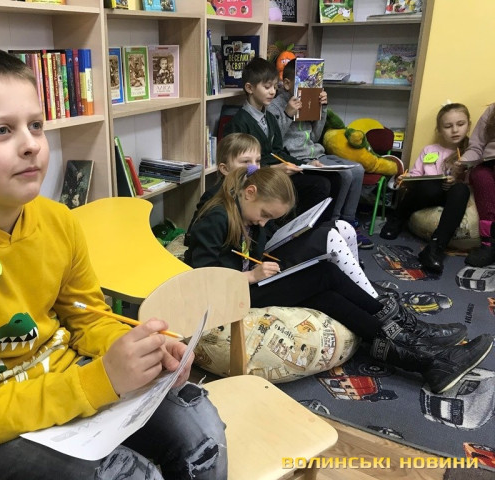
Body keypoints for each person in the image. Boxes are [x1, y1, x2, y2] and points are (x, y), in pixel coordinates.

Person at [0, 41, 227, 480]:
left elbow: (87, 318)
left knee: (201, 434)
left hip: (64, 381)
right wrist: (102, 381)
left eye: (36, 125)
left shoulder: (57, 220)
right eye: (1, 130)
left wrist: (143, 351)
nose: (31, 146)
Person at [187, 165, 493, 395]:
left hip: (250, 283)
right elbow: (202, 280)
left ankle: (425, 361)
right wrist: (250, 275)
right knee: (325, 273)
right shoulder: (216, 219)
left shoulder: (247, 213)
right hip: (230, 295)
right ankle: (416, 340)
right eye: (264, 214)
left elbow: (254, 249)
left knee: (327, 297)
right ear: (249, 192)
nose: (264, 222)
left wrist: (269, 252)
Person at [186, 132, 376, 296]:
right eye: (245, 162)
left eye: (257, 161)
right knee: (328, 240)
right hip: (263, 255)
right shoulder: (217, 199)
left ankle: (360, 282)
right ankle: (367, 293)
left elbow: (266, 226)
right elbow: (197, 235)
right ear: (224, 168)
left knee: (342, 227)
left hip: (268, 245)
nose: (253, 168)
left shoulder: (252, 192)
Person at [268, 59, 370, 249]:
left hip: (316, 152)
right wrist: (288, 114)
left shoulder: (308, 100)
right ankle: (334, 225)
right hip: (299, 157)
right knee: (345, 175)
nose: (310, 88)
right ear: (288, 83)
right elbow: (275, 142)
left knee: (358, 169)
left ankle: (349, 222)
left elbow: (315, 136)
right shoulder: (276, 106)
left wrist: (322, 109)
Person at [223, 57, 334, 219]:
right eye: (267, 87)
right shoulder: (239, 123)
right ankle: (299, 227)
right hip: (259, 178)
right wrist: (274, 170)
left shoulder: (269, 118)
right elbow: (239, 168)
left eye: (275, 87)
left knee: (332, 178)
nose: (273, 92)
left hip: (276, 172)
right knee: (319, 185)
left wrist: (305, 165)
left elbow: (278, 151)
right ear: (249, 88)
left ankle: (323, 227)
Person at [380, 102, 472, 273]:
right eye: (448, 126)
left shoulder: (470, 152)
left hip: (450, 197)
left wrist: (456, 180)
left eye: (460, 124)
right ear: (439, 130)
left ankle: (435, 248)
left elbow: (471, 183)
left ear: (469, 125)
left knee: (462, 190)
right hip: (427, 193)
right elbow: (416, 174)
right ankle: (397, 219)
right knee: (429, 186)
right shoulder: (430, 150)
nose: (455, 130)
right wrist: (405, 178)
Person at [461, 103, 495, 267]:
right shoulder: (492, 111)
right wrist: (463, 161)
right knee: (480, 176)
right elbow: (476, 147)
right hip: (488, 164)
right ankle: (489, 243)